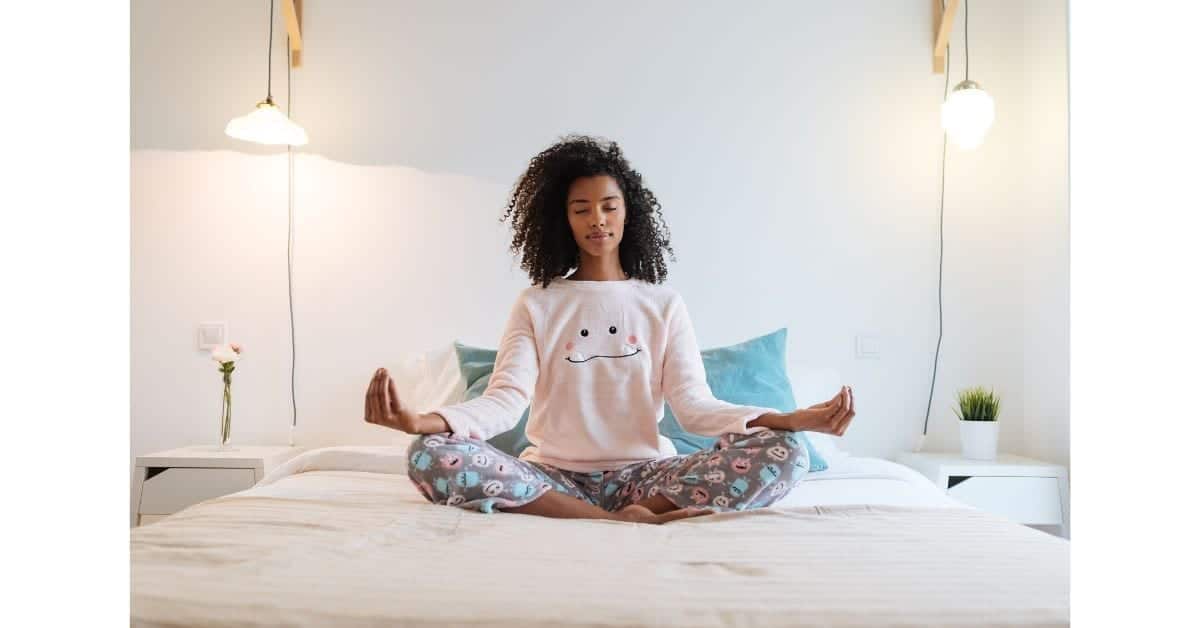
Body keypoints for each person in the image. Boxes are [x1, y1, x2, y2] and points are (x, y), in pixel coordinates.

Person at [364, 135, 855, 525]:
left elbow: (696, 409)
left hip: (648, 477)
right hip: (552, 480)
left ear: (628, 211)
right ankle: (605, 520)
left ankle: (646, 513)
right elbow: (504, 401)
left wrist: (791, 421)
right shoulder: (538, 303)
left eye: (609, 206)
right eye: (581, 209)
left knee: (786, 452)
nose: (597, 220)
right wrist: (420, 421)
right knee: (428, 454)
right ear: (564, 221)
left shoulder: (663, 302)